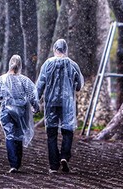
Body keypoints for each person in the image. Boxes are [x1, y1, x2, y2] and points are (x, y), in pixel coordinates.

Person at [37, 38, 84, 174]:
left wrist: (35, 101)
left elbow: (40, 85)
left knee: (51, 134)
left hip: (51, 102)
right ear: (66, 49)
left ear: (54, 49)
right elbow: (79, 85)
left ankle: (53, 166)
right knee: (67, 130)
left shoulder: (47, 64)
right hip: (67, 102)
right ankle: (64, 156)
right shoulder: (73, 65)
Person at [0, 54, 39, 174]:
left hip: (6, 111)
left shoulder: (2, 79)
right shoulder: (24, 80)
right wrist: (35, 107)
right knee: (19, 135)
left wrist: (5, 97)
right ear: (20, 65)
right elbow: (32, 95)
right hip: (21, 111)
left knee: (10, 135)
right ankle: (17, 163)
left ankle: (13, 163)